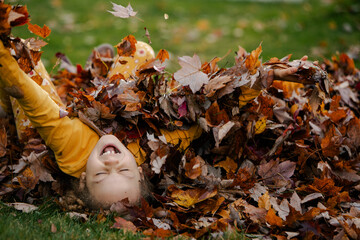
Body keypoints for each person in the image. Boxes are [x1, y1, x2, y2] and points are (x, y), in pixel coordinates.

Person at [0, 38, 305, 210]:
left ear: (82, 178)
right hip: (101, 114)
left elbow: (30, 96)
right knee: (141, 52)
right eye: (123, 170)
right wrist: (268, 75)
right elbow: (214, 104)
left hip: (48, 126)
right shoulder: (158, 147)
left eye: (101, 174)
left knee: (19, 66)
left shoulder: (73, 148)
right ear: (142, 170)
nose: (111, 160)